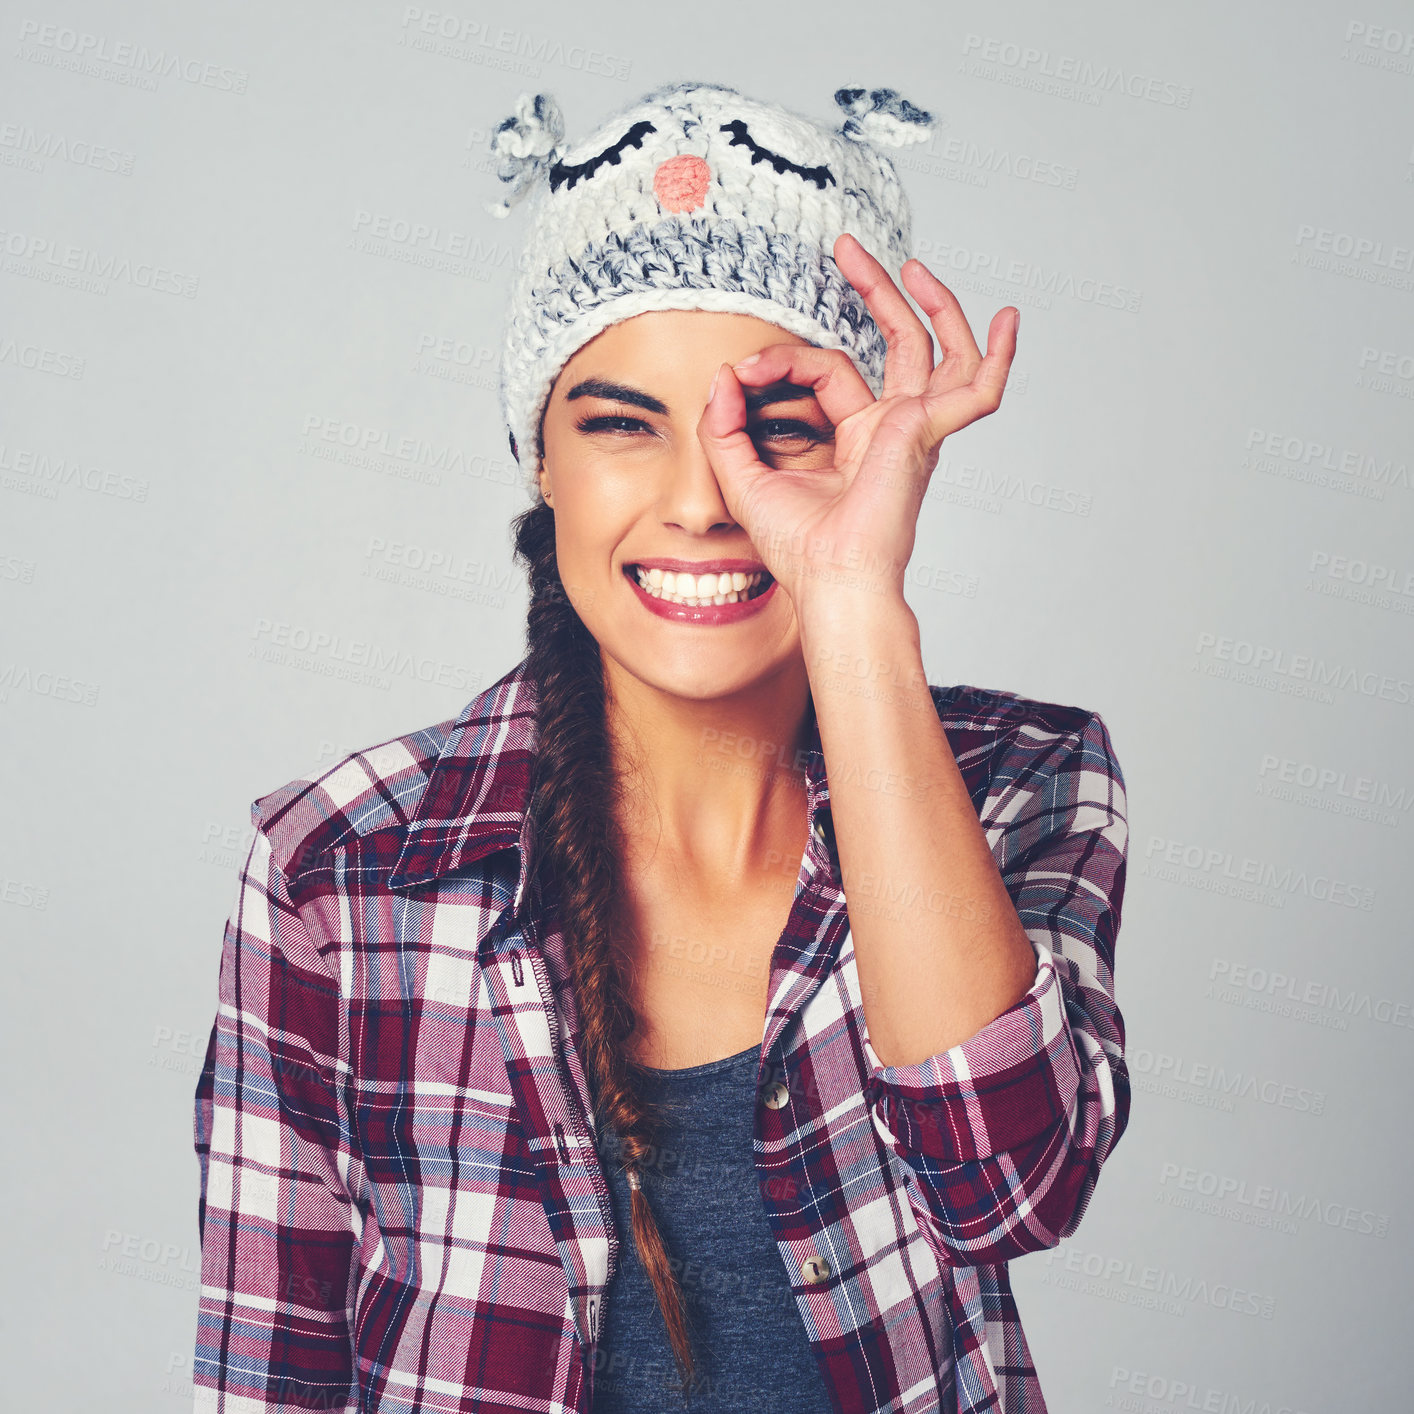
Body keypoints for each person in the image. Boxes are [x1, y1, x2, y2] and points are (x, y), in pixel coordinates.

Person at [192, 80, 1130, 1414]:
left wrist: (854, 590)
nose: (701, 499)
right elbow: (265, 1372)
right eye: (621, 424)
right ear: (540, 462)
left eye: (778, 427)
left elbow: (1011, 1185)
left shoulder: (1016, 783)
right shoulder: (339, 869)